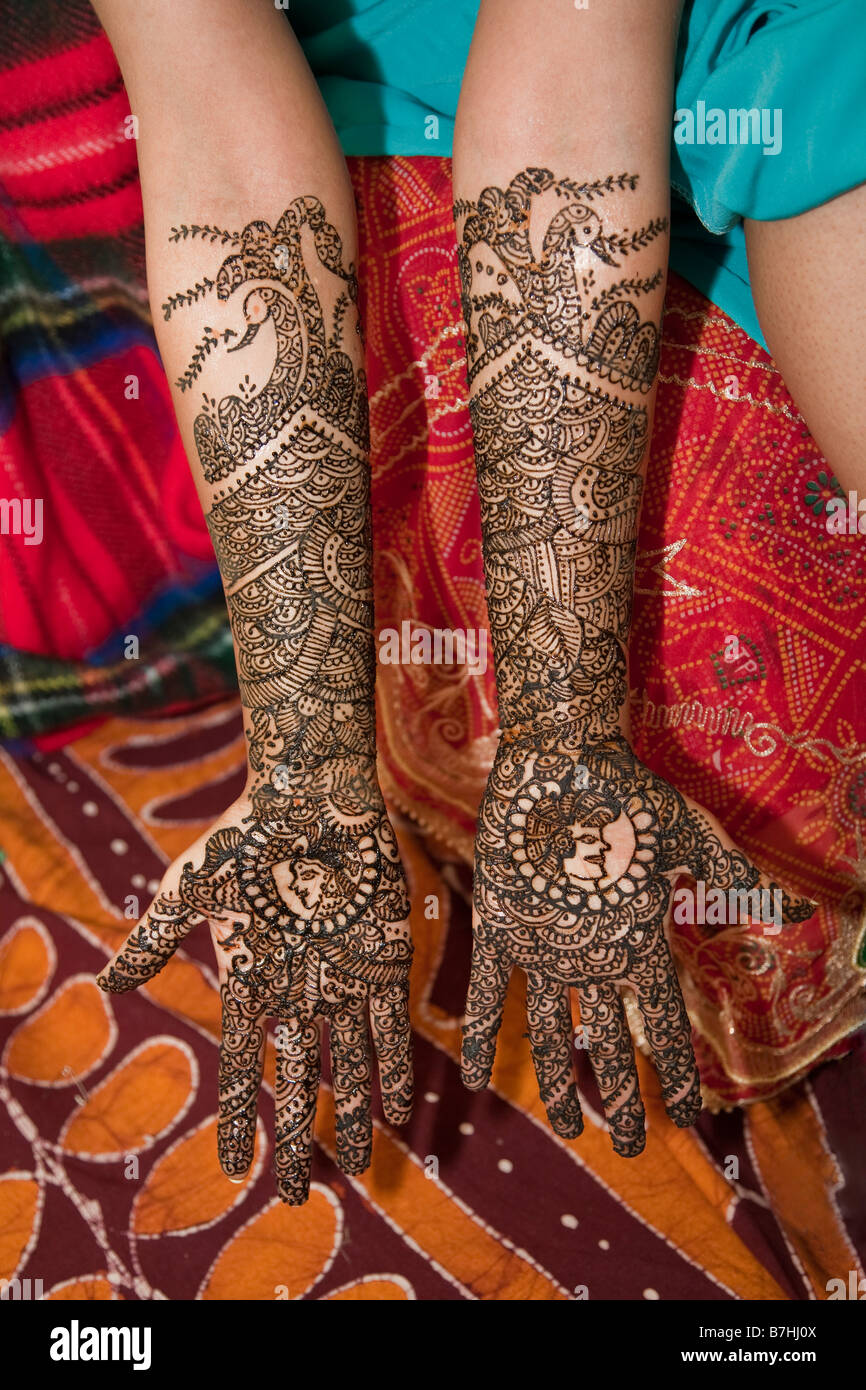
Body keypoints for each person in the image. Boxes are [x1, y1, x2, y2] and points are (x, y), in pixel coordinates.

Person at [93, 0, 841, 1200]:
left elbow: (576, 55)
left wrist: (566, 735)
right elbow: (220, 142)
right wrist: (304, 774)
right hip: (397, 95)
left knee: (829, 95)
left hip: (665, 66)